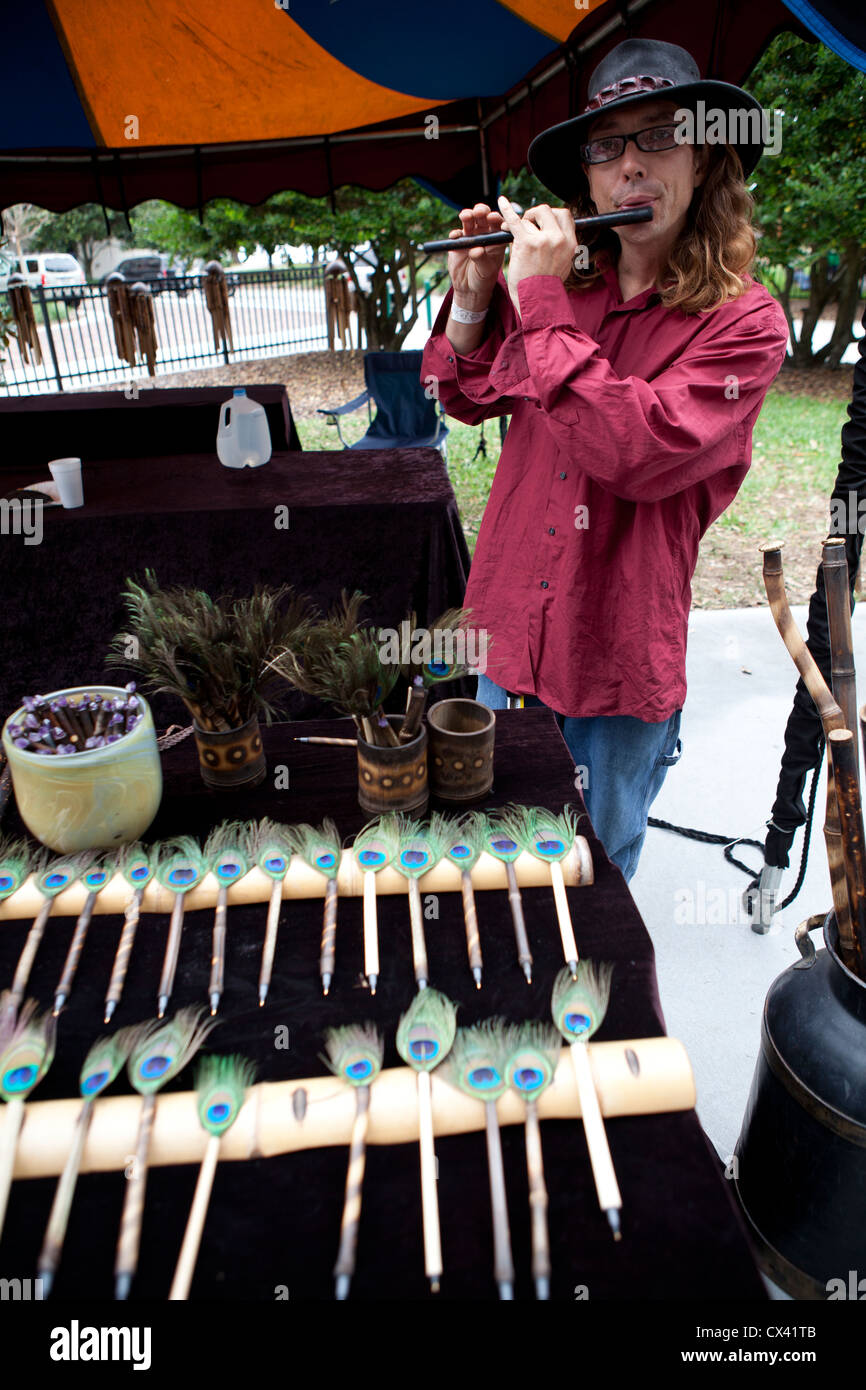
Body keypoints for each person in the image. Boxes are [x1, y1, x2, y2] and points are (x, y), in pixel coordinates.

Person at [421, 37, 789, 881]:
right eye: (608, 145)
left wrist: (538, 298)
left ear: (705, 160)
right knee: (492, 856)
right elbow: (465, 392)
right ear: (586, 180)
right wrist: (477, 294)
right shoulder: (566, 290)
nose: (633, 165)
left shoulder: (746, 324)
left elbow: (637, 450)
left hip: (614, 654)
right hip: (510, 633)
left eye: (661, 136)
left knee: (593, 873)